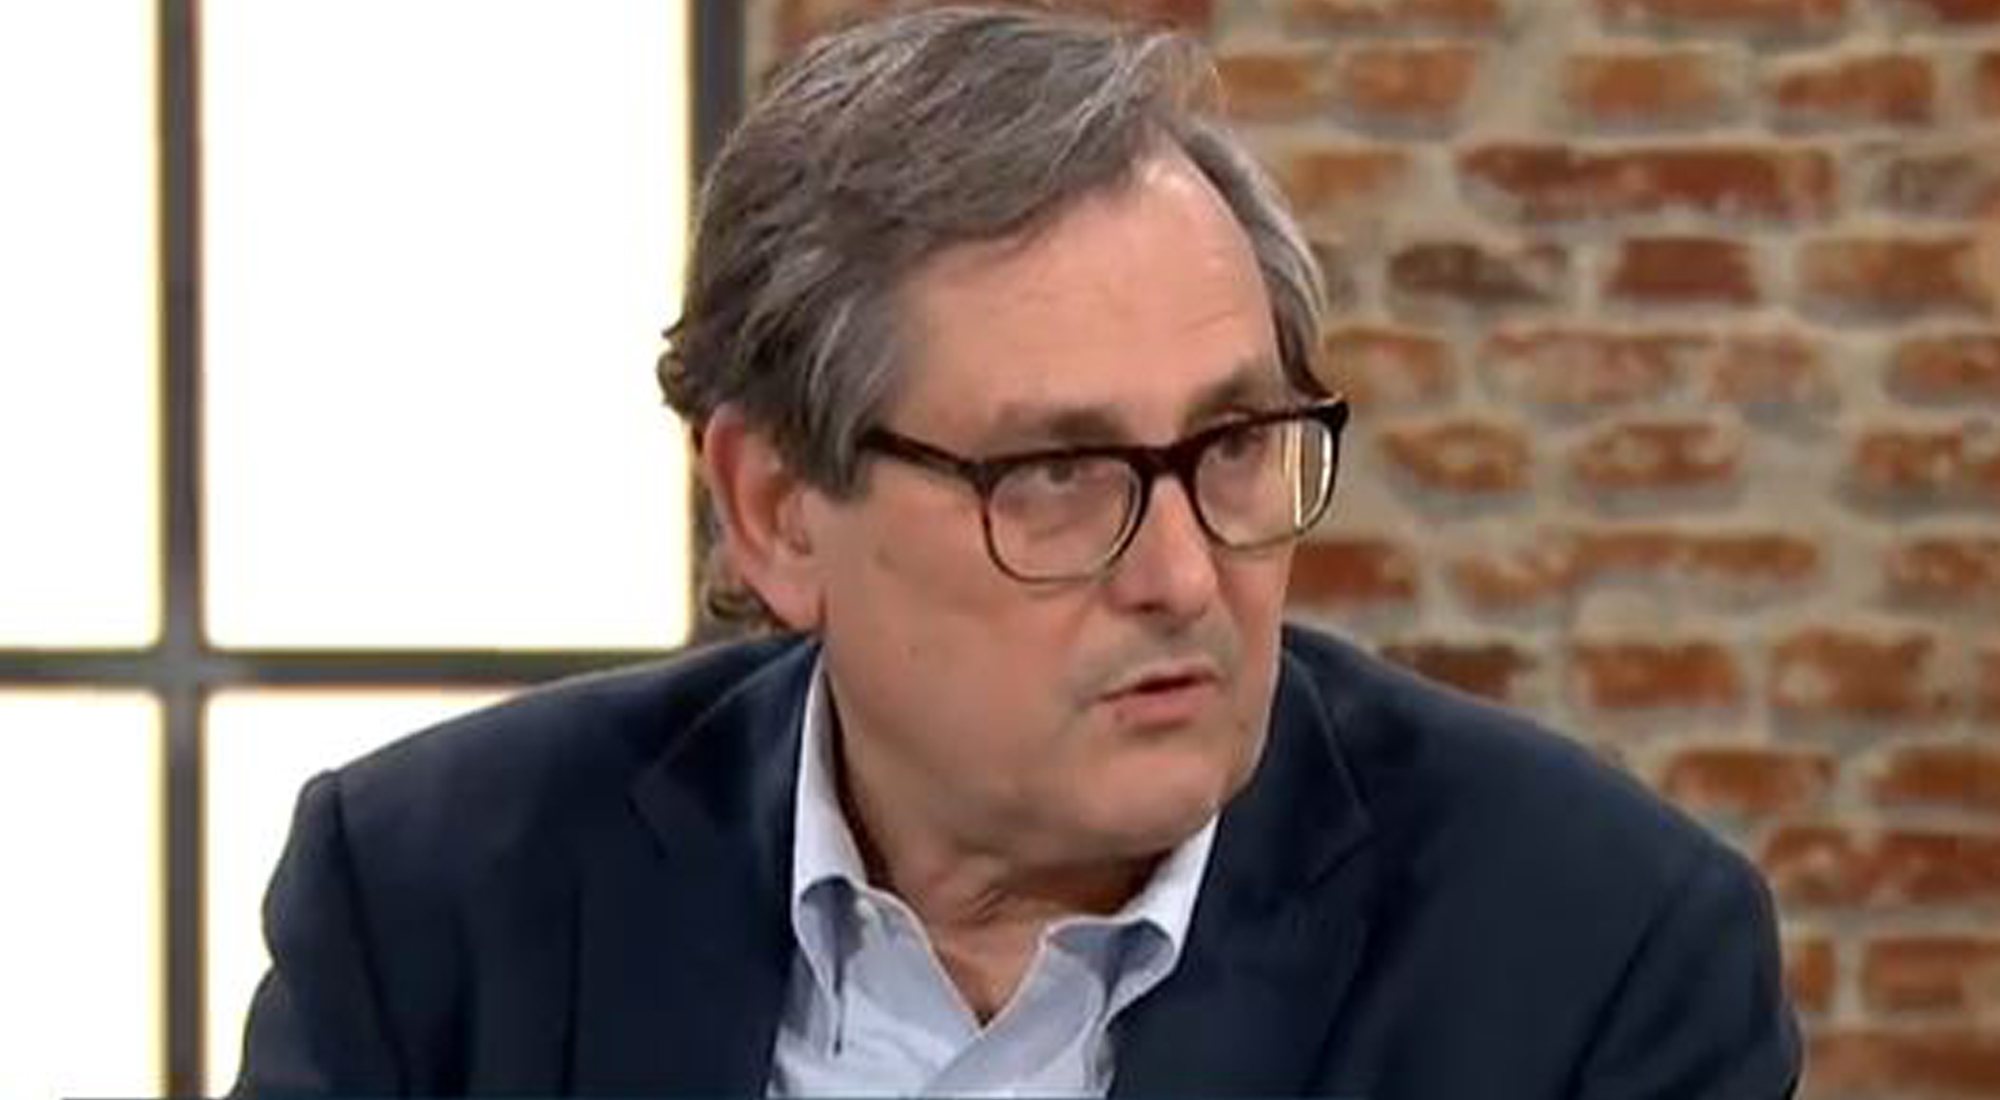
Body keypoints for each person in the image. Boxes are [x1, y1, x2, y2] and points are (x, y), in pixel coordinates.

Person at [233, 6, 1801, 1097]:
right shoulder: (433, 902)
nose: (1182, 574)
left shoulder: (1594, 956)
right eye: (1058, 475)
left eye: (1233, 447)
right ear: (779, 510)